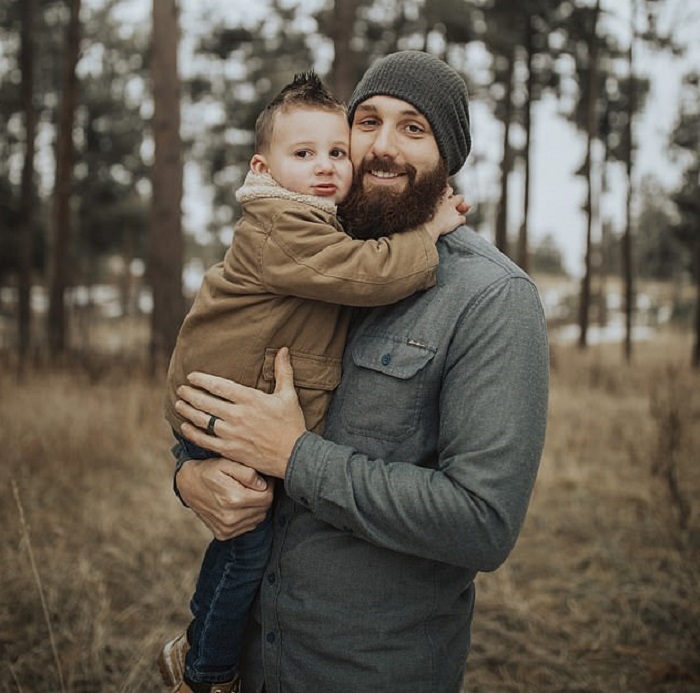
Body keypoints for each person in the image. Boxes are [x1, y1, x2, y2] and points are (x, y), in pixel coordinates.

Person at [173, 51, 549, 693]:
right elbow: (229, 377)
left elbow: (482, 523)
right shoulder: (312, 251)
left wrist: (294, 456)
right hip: (253, 657)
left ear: (449, 156)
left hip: (365, 671)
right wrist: (190, 476)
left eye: (413, 128)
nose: (380, 146)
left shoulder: (491, 298)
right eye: (367, 121)